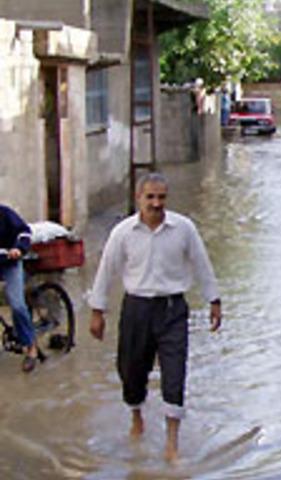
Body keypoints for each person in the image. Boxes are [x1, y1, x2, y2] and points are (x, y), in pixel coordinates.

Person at [88, 172, 222, 463]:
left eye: (161, 197)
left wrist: (214, 300)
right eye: (150, 197)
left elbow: (202, 264)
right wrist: (97, 312)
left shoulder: (183, 228)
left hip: (173, 310)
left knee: (174, 374)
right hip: (136, 309)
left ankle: (171, 442)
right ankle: (136, 416)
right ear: (139, 199)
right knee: (132, 372)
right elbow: (106, 271)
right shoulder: (123, 232)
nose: (156, 203)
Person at [0, 205, 38, 372]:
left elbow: (24, 231)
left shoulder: (5, 214)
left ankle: (31, 348)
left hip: (10, 263)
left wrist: (18, 248)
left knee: (16, 304)